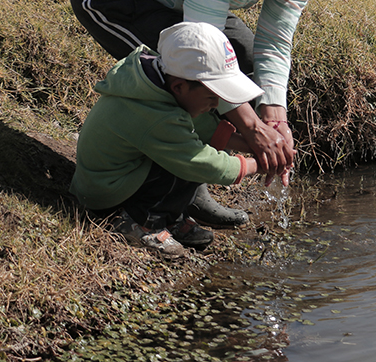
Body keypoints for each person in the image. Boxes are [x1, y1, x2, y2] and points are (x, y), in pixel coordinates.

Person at [69, 0, 360, 227]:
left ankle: (187, 191)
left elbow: (274, 42)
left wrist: (274, 118)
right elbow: (199, 62)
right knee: (185, 86)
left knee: (245, 60)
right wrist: (253, 131)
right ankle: (149, 209)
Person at [70, 22, 277, 257]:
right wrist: (256, 165)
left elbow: (203, 128)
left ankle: (169, 217)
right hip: (106, 195)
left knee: (190, 149)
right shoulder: (156, 116)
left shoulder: (155, 84)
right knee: (188, 161)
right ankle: (140, 222)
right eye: (212, 96)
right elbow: (200, 162)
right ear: (179, 86)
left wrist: (252, 146)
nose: (217, 105)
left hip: (119, 177)